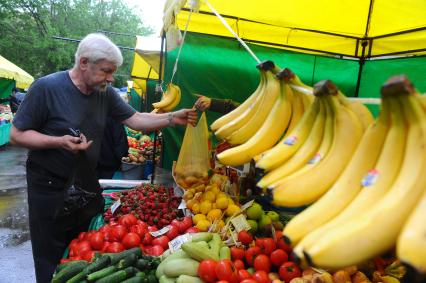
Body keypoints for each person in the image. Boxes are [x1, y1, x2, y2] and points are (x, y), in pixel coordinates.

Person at [10, 33, 197, 283]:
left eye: (112, 72)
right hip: (49, 188)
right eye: (106, 71)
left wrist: (173, 118)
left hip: (86, 185)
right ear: (84, 62)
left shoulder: (104, 93)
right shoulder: (47, 88)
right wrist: (57, 142)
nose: (111, 78)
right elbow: (16, 134)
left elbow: (135, 119)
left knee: (83, 253)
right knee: (50, 256)